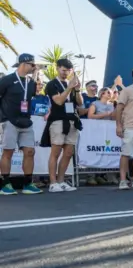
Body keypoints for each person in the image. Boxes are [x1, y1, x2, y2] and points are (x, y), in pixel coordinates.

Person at [0, 54, 41, 195]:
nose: (34, 67)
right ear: (23, 64)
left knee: (30, 151)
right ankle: (5, 184)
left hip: (26, 121)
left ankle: (28, 183)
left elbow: (30, 96)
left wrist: (36, 75)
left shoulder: (30, 82)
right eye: (32, 65)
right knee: (8, 152)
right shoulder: (7, 80)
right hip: (9, 120)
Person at [44, 58, 83, 193]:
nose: (66, 73)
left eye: (68, 71)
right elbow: (59, 101)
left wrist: (77, 90)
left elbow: (79, 103)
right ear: (57, 68)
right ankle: (53, 182)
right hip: (57, 120)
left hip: (72, 120)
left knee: (68, 152)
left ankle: (61, 181)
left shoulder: (71, 84)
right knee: (56, 151)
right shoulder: (52, 84)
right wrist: (69, 87)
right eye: (63, 70)